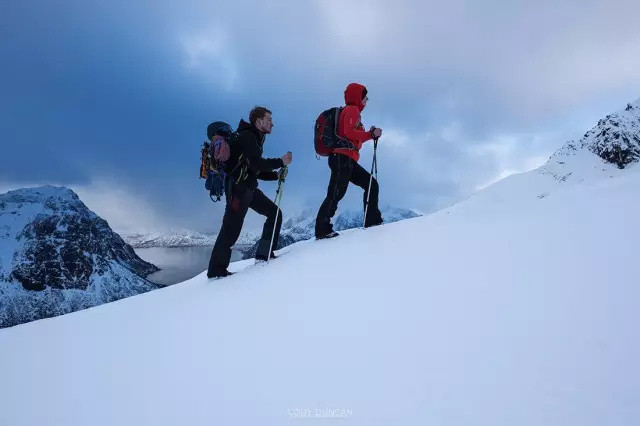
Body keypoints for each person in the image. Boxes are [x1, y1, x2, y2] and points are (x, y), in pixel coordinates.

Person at [207, 106, 293, 278]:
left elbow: (254, 168)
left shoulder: (255, 137)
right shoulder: (248, 136)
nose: (272, 123)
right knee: (231, 229)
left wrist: (275, 176)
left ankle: (264, 254)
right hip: (238, 189)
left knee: (274, 214)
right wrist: (281, 162)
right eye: (269, 119)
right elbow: (257, 163)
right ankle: (216, 271)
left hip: (248, 188)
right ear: (259, 121)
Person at [315, 83, 383, 239]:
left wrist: (369, 134)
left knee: (369, 185)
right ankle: (322, 229)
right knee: (336, 193)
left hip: (345, 158)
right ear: (358, 97)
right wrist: (370, 134)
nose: (367, 99)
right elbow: (349, 132)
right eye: (365, 96)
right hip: (342, 158)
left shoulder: (351, 112)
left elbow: (351, 138)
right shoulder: (352, 110)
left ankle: (372, 220)